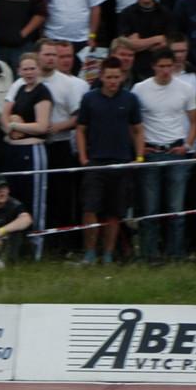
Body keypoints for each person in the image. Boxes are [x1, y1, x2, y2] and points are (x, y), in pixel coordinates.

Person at [132, 45, 196, 261]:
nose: (165, 70)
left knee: (175, 209)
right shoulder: (140, 89)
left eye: (169, 66)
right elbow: (133, 123)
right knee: (150, 209)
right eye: (161, 66)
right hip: (151, 152)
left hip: (176, 151)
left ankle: (175, 255)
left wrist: (187, 145)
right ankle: (149, 255)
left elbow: (195, 121)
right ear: (153, 67)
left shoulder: (186, 88)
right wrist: (139, 148)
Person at [75, 58, 144, 264]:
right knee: (90, 208)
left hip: (121, 162)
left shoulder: (131, 99)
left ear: (122, 77)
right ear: (101, 77)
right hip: (95, 162)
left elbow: (138, 130)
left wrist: (139, 157)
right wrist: (83, 158)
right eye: (109, 77)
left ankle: (108, 254)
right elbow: (80, 130)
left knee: (115, 212)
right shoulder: (89, 99)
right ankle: (89, 253)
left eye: (116, 77)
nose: (113, 81)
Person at [0, 50, 53, 250]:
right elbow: (7, 117)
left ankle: (35, 245)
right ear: (19, 71)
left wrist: (15, 126)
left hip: (33, 150)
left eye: (32, 68)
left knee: (35, 200)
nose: (29, 72)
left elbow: (42, 126)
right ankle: (16, 245)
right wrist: (11, 126)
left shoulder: (42, 92)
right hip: (14, 149)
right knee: (15, 197)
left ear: (38, 69)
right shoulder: (20, 90)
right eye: (25, 69)